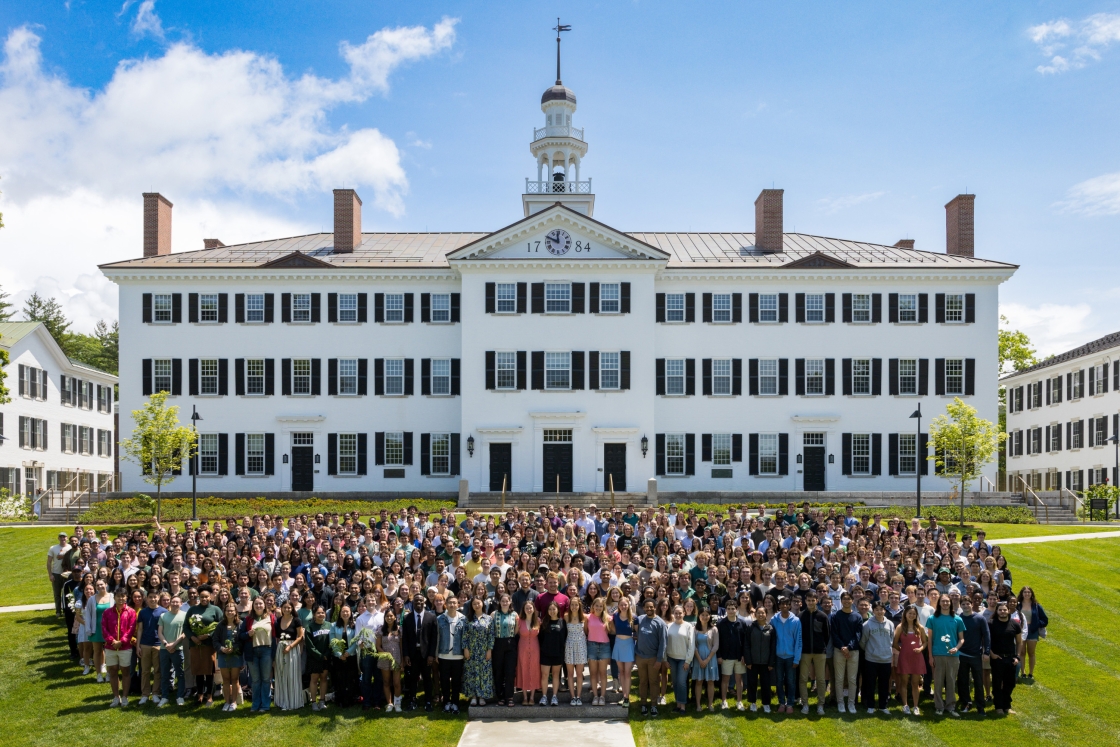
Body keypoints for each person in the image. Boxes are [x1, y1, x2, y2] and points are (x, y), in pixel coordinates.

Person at [926, 592, 965, 716]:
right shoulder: (932, 619)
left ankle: (950, 706)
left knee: (951, 681)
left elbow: (962, 639)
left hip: (953, 656)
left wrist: (956, 648)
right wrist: (931, 656)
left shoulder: (957, 619)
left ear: (951, 603)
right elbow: (930, 639)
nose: (945, 603)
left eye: (947, 601)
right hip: (938, 654)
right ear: (939, 603)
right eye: (943, 601)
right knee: (937, 682)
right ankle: (939, 706)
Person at [186, 584, 222, 706]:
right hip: (195, 645)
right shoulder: (192, 609)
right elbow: (186, 626)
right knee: (198, 671)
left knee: (209, 671)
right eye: (202, 597)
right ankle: (200, 694)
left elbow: (220, 625)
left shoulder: (216, 610)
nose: (204, 599)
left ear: (211, 596)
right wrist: (193, 637)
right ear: (198, 597)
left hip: (209, 645)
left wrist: (208, 635)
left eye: (206, 597)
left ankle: (209, 695)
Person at [101, 587, 138, 707]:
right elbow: (104, 628)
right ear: (114, 597)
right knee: (112, 671)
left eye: (123, 596)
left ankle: (125, 697)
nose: (121, 599)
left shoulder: (131, 612)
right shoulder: (107, 612)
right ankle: (116, 697)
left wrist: (121, 641)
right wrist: (112, 641)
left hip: (125, 647)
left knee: (126, 671)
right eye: (118, 596)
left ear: (126, 597)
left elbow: (131, 629)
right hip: (110, 647)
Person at [402, 593, 438, 711]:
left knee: (427, 678)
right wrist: (406, 654)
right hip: (412, 654)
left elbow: (434, 638)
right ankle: (412, 700)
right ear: (413, 603)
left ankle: (428, 701)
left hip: (426, 654)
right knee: (412, 678)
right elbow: (405, 638)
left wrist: (431, 655)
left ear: (424, 602)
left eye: (420, 601)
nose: (418, 603)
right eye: (416, 601)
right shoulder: (407, 618)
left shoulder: (431, 617)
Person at [241, 596, 277, 712]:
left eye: (260, 604)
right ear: (253, 606)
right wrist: (248, 634)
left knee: (266, 679)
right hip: (253, 651)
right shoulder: (248, 619)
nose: (258, 606)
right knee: (255, 680)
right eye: (256, 604)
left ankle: (265, 704)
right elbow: (240, 636)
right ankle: (255, 704)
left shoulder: (271, 617)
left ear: (264, 605)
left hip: (267, 650)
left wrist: (274, 654)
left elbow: (275, 636)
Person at [956, 596, 990, 715]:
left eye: (967, 604)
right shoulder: (958, 619)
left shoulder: (980, 619)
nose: (965, 606)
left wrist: (986, 652)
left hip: (976, 655)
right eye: (963, 604)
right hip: (962, 655)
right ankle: (966, 703)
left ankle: (980, 706)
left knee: (978, 682)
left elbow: (986, 636)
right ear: (961, 606)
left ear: (971, 604)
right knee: (963, 681)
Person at [860, 601, 896, 714]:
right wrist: (872, 651)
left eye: (881, 609)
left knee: (884, 684)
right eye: (877, 610)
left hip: (886, 659)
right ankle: (870, 705)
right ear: (873, 611)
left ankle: (883, 706)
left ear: (885, 610)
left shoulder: (890, 624)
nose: (879, 612)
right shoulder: (867, 625)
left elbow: (892, 639)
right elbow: (863, 642)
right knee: (870, 683)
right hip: (871, 659)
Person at [798, 590, 829, 715]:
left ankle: (820, 704)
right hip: (804, 652)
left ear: (817, 601)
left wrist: (821, 646)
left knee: (821, 679)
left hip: (819, 652)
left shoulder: (822, 616)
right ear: (805, 601)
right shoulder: (800, 616)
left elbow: (827, 635)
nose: (811, 603)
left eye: (813, 600)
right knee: (803, 678)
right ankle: (805, 704)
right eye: (808, 600)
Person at [892, 604, 927, 715]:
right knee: (904, 682)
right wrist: (902, 649)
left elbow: (925, 642)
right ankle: (905, 705)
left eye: (914, 614)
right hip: (904, 657)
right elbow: (895, 642)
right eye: (909, 613)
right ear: (905, 614)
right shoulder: (900, 627)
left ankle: (916, 706)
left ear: (916, 615)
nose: (911, 615)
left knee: (915, 683)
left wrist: (921, 648)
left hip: (917, 657)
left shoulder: (920, 627)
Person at [988, 601, 1023, 715]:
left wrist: (1017, 656)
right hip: (997, 658)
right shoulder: (991, 623)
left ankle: (1007, 706)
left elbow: (1019, 642)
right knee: (997, 683)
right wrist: (991, 654)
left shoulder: (1015, 624)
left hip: (1011, 659)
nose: (1002, 612)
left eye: (1004, 610)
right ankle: (998, 706)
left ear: (1008, 611)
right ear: (997, 611)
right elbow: (986, 641)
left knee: (1010, 683)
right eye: (1000, 610)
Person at [830, 591, 862, 713]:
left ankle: (851, 703)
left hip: (853, 651)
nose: (847, 601)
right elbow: (834, 634)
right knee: (839, 679)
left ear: (852, 601)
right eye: (844, 599)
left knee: (852, 679)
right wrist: (842, 647)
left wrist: (848, 647)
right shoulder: (835, 616)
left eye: (849, 599)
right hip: (839, 651)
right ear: (841, 601)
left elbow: (858, 635)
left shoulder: (857, 616)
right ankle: (840, 703)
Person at [437, 595, 467, 714]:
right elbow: (437, 638)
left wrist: (465, 650)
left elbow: (465, 637)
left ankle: (455, 703)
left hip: (458, 655)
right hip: (443, 655)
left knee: (456, 681)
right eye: (450, 603)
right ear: (446, 604)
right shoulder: (440, 619)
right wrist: (435, 654)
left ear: (458, 605)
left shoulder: (463, 619)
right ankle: (446, 703)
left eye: (455, 603)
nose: (452, 605)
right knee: (444, 681)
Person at [716, 596, 748, 710]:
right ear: (726, 610)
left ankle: (739, 701)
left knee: (739, 680)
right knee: (725, 679)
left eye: (733, 608)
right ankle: (724, 700)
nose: (731, 610)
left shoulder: (742, 623)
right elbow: (717, 641)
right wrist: (719, 655)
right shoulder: (720, 624)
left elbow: (745, 641)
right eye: (728, 608)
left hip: (739, 656)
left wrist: (745, 655)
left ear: (736, 609)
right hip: (725, 656)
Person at [157, 592, 188, 707]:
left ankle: (180, 696)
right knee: (165, 674)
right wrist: (166, 644)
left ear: (181, 604)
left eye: (177, 602)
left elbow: (185, 633)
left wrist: (174, 644)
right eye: (173, 601)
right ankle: (164, 696)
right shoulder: (163, 616)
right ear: (170, 603)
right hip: (164, 649)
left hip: (178, 648)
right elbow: (160, 632)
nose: (175, 604)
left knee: (180, 673)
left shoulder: (185, 615)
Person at [274, 598, 305, 710]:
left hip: (292, 649)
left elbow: (300, 636)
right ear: (281, 608)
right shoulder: (278, 621)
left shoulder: (296, 620)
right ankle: (282, 701)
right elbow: (277, 637)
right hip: (280, 649)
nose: (287, 609)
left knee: (292, 675)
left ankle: (293, 702)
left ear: (292, 608)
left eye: (289, 607)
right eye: (284, 607)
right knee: (281, 674)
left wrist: (290, 646)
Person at [135, 590, 166, 705]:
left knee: (158, 671)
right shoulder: (143, 612)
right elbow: (140, 629)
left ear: (158, 598)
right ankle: (145, 694)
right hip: (145, 644)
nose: (153, 599)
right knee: (145, 670)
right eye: (150, 597)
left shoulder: (164, 612)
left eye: (155, 597)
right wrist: (138, 645)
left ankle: (156, 693)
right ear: (147, 599)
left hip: (158, 644)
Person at [772, 596, 802, 713]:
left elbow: (798, 641)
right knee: (779, 681)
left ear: (789, 606)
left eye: (786, 604)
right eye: (782, 604)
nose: (784, 606)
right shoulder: (774, 620)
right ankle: (781, 702)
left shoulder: (795, 621)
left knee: (790, 681)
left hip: (791, 657)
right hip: (778, 656)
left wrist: (796, 659)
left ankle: (789, 704)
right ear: (779, 606)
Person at [462, 597, 494, 707]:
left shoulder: (489, 619)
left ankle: (482, 696)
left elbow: (491, 636)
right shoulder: (468, 619)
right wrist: (465, 649)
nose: (477, 605)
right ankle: (473, 696)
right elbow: (465, 635)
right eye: (474, 604)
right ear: (471, 606)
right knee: (472, 674)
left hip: (484, 651)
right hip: (471, 651)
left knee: (484, 673)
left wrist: (489, 650)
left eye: (478, 603)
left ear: (483, 604)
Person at [490, 593, 520, 708]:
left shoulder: (514, 615)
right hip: (497, 643)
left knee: (510, 671)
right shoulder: (494, 614)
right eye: (502, 601)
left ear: (510, 602)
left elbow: (516, 630)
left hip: (510, 644)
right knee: (498, 672)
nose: (505, 603)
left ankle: (509, 696)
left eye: (507, 601)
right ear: (499, 602)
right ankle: (500, 696)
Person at [329, 603, 360, 708]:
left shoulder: (355, 625)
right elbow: (332, 641)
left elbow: (356, 641)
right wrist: (339, 654)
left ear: (351, 613)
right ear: (340, 613)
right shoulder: (333, 625)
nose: (345, 613)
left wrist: (348, 652)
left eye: (347, 611)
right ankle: (340, 699)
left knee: (351, 677)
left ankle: (351, 699)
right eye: (343, 611)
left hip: (351, 656)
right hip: (338, 657)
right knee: (340, 678)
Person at [746, 604, 777, 713]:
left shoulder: (771, 629)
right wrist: (748, 661)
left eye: (763, 613)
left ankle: (766, 704)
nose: (760, 615)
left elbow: (773, 647)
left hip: (766, 662)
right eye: (758, 613)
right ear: (755, 614)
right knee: (752, 683)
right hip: (753, 662)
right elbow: (747, 645)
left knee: (765, 684)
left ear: (766, 615)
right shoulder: (750, 627)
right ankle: (752, 702)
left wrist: (771, 662)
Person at [213, 601, 243, 711]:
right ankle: (226, 702)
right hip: (222, 655)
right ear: (224, 612)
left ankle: (234, 702)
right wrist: (222, 649)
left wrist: (233, 648)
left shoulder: (240, 624)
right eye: (227, 610)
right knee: (225, 680)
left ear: (236, 612)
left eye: (232, 610)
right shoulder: (221, 625)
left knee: (234, 679)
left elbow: (242, 641)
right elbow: (215, 640)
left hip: (236, 656)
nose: (229, 612)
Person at [665, 605, 695, 713]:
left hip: (683, 659)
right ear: (673, 613)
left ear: (684, 613)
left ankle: (683, 705)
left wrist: (688, 661)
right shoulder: (668, 626)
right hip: (671, 658)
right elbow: (665, 644)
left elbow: (691, 645)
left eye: (680, 613)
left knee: (682, 682)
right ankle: (678, 704)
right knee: (676, 682)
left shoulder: (688, 626)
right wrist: (665, 659)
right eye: (676, 613)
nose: (678, 615)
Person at [538, 600, 567, 706]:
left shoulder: (562, 622)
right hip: (545, 653)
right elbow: (540, 638)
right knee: (544, 675)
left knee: (556, 675)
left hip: (558, 654)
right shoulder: (543, 622)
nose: (552, 611)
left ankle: (554, 696)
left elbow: (564, 637)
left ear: (558, 610)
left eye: (554, 609)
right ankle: (544, 696)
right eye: (550, 609)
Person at [690, 605, 719, 711]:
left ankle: (710, 704)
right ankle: (698, 705)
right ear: (699, 616)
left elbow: (716, 646)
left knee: (710, 682)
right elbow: (693, 646)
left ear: (710, 616)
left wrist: (707, 659)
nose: (705, 617)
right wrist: (700, 660)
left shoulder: (714, 629)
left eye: (707, 615)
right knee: (699, 681)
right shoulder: (694, 629)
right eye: (703, 615)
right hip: (698, 658)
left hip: (710, 658)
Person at [305, 604, 333, 711]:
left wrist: (326, 654)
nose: (321, 615)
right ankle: (313, 702)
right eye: (318, 613)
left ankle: (322, 701)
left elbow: (332, 641)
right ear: (314, 614)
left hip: (326, 657)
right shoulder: (310, 627)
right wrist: (320, 656)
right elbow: (310, 645)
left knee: (324, 678)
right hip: (314, 658)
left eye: (322, 612)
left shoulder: (329, 625)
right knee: (314, 679)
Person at [610, 596, 636, 704]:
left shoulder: (634, 617)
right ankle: (623, 695)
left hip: (629, 645)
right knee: (621, 672)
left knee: (627, 673)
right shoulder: (615, 616)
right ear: (618, 606)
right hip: (618, 644)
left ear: (629, 605)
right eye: (621, 605)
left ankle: (627, 697)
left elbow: (637, 633)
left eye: (625, 605)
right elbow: (611, 628)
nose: (623, 606)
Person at [377, 608, 405, 711]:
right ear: (384, 618)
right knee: (386, 681)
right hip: (385, 659)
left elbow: (402, 647)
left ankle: (397, 703)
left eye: (391, 616)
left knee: (397, 682)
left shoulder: (399, 629)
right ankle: (389, 703)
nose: (389, 618)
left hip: (397, 658)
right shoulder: (381, 630)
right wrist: (385, 654)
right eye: (387, 616)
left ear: (395, 617)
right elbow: (378, 646)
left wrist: (402, 661)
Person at [1017, 586, 1047, 681]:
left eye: (1028, 592)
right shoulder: (1018, 605)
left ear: (1031, 594)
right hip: (1021, 630)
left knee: (1031, 652)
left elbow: (1045, 620)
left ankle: (1031, 673)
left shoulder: (1036, 606)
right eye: (1025, 592)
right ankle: (1023, 672)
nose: (1027, 594)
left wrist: (1036, 624)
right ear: (1022, 594)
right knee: (1022, 652)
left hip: (1032, 631)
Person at [564, 597, 588, 705]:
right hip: (569, 645)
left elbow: (586, 631)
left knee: (579, 673)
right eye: (572, 605)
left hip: (581, 646)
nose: (574, 607)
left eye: (576, 605)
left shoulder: (584, 617)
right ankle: (572, 697)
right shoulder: (566, 616)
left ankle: (579, 696)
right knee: (570, 673)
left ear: (579, 606)